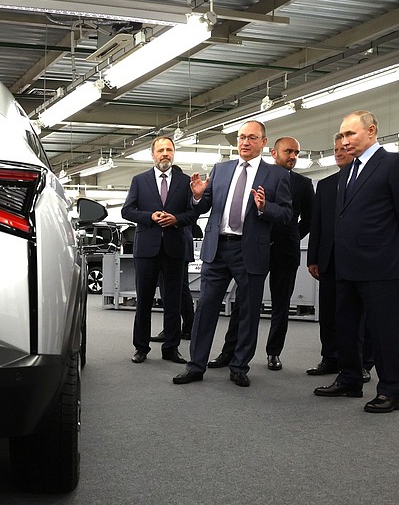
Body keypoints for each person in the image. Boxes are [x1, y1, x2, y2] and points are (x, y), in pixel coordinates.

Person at [313, 110, 399, 413]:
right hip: (346, 264)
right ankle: (350, 378)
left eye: (351, 134)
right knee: (346, 327)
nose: (344, 140)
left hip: (381, 265)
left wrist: (398, 253)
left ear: (371, 131)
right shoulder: (349, 170)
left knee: (383, 331)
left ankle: (391, 390)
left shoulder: (395, 164)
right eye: (342, 135)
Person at [172, 121, 292, 387]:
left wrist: (264, 207)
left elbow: (286, 214)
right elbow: (203, 206)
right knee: (205, 308)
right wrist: (198, 197)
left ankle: (239, 366)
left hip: (250, 250)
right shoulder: (221, 169)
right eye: (241, 137)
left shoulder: (277, 175)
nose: (245, 142)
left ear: (264, 142)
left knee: (248, 311)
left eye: (252, 138)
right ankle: (196, 365)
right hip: (217, 248)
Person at [205, 137, 313, 371]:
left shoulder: (303, 183)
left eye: (296, 153)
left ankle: (273, 352)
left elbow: (309, 219)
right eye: (288, 151)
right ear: (273, 153)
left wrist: (291, 235)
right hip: (251, 248)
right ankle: (229, 351)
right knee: (243, 303)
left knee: (281, 304)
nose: (293, 156)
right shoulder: (257, 175)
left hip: (284, 250)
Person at [122, 137, 198, 364]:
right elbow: (127, 210)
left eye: (169, 150)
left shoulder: (185, 182)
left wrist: (176, 219)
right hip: (147, 248)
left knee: (173, 301)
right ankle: (141, 347)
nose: (165, 153)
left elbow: (193, 213)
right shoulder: (139, 180)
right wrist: (150, 216)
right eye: (161, 150)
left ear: (173, 153)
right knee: (144, 300)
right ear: (153, 155)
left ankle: (171, 348)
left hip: (175, 248)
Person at [306, 133, 374, 381]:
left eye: (343, 149)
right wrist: (313, 258)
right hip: (330, 259)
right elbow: (317, 224)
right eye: (335, 150)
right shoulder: (326, 185)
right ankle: (330, 358)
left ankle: (362, 362)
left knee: (360, 315)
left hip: (359, 259)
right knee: (329, 312)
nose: (338, 153)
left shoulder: (368, 180)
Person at [151, 218, 201, 342]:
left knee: (169, 290)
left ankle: (172, 329)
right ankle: (188, 328)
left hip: (173, 244)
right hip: (182, 242)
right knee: (182, 289)